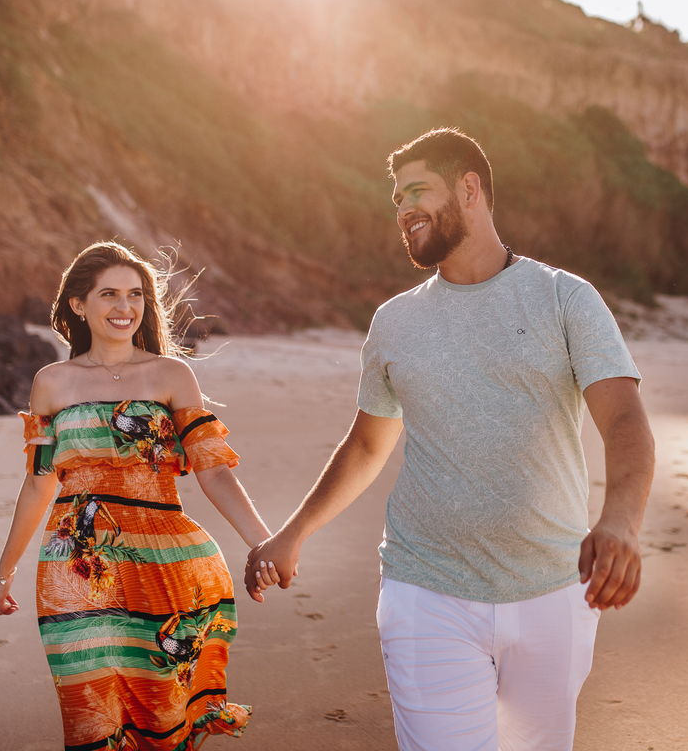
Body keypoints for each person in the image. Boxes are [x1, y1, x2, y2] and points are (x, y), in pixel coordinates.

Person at [247, 128, 655, 750]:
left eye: (418, 190)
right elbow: (365, 446)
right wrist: (292, 534)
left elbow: (624, 420)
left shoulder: (563, 298)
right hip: (425, 589)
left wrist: (622, 521)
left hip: (552, 588)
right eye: (396, 198)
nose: (404, 208)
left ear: (470, 190)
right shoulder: (395, 321)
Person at [0, 241, 278, 751]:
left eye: (135, 295)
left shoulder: (170, 375)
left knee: (159, 706)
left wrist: (264, 542)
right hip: (75, 565)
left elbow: (213, 473)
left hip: (162, 559)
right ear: (78, 304)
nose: (125, 307)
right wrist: (3, 573)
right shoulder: (51, 383)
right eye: (109, 294)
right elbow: (38, 482)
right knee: (92, 708)